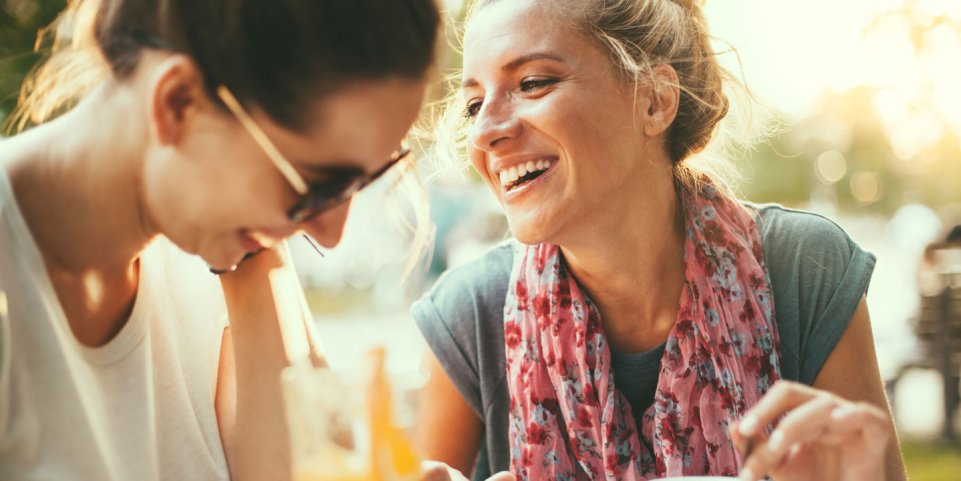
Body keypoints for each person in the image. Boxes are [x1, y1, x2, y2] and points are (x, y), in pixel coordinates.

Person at [411, 1, 907, 480]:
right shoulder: (470, 316)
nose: (484, 132)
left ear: (655, 100)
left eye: (533, 83)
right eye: (475, 104)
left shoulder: (803, 271)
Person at [0, 0, 460, 480]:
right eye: (318, 185)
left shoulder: (224, 245)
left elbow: (300, 470)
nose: (332, 232)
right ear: (177, 102)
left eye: (361, 183)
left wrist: (258, 238)